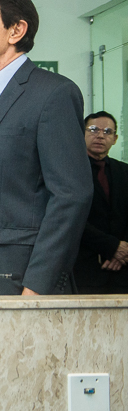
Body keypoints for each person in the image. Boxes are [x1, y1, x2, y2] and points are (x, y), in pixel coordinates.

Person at [0, 0, 92, 295]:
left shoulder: (53, 93)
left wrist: (37, 286)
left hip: (23, 288)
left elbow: (71, 195)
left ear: (16, 31)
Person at [75, 111, 128, 293]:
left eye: (107, 131)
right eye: (93, 129)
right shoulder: (71, 172)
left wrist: (122, 250)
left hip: (122, 269)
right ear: (81, 133)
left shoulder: (125, 171)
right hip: (84, 268)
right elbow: (72, 218)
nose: (100, 135)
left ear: (115, 138)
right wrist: (111, 247)